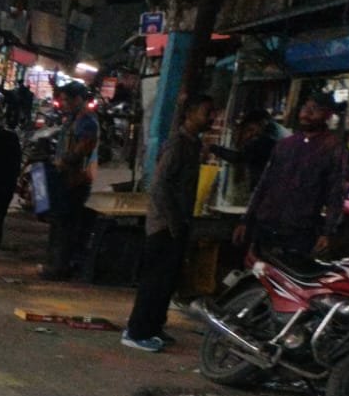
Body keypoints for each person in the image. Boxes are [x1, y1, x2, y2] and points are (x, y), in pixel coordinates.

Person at [122, 94, 215, 353]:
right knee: (154, 281)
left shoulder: (193, 144)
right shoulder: (178, 144)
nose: (211, 118)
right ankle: (137, 331)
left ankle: (153, 327)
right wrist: (173, 222)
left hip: (176, 223)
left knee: (167, 282)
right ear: (190, 113)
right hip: (164, 226)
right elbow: (160, 186)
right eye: (206, 112)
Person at [234, 91, 349, 261]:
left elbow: (335, 193)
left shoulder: (332, 148)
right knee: (258, 271)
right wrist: (246, 220)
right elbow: (264, 183)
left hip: (299, 231)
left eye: (315, 109)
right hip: (266, 225)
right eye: (305, 107)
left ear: (327, 114)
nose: (307, 113)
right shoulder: (285, 145)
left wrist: (328, 232)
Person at [40, 81, 100, 280]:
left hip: (75, 180)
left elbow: (82, 149)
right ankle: (56, 265)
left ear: (78, 99)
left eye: (67, 100)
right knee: (59, 223)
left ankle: (60, 267)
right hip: (66, 177)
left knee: (66, 225)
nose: (63, 104)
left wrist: (64, 161)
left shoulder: (87, 121)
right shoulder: (73, 119)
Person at [209, 107, 280, 199]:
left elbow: (238, 157)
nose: (250, 135)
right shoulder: (267, 141)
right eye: (248, 130)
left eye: (252, 130)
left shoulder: (264, 143)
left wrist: (213, 148)